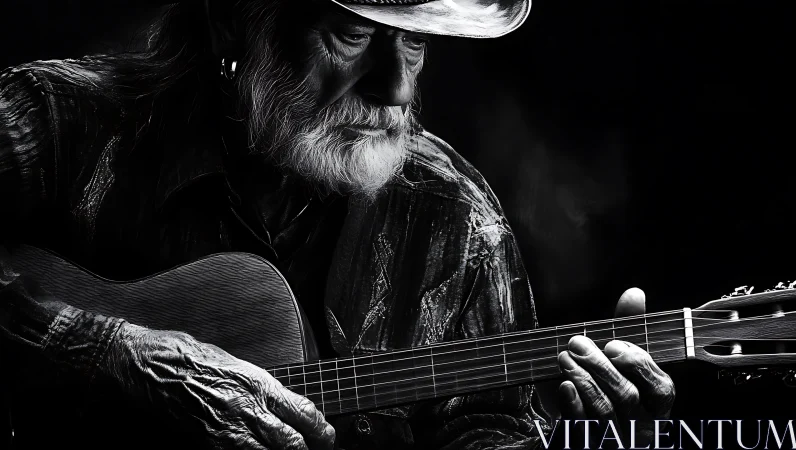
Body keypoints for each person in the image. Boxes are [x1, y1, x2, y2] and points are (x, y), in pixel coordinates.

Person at [0, 0, 676, 449]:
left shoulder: (456, 215)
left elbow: (492, 429)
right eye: (352, 35)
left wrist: (575, 434)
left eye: (413, 43)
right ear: (240, 22)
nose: (397, 89)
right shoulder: (59, 122)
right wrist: (112, 357)